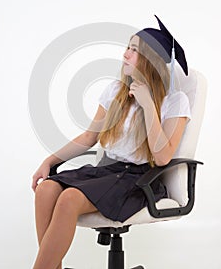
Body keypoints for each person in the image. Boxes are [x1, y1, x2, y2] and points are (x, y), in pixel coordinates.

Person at [31, 15, 191, 269]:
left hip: (140, 180)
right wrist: (49, 161)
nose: (126, 54)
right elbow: (88, 137)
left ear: (150, 60)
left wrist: (148, 104)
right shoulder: (115, 91)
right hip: (109, 171)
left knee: (69, 198)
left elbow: (162, 158)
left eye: (135, 50)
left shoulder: (175, 101)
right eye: (128, 47)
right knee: (46, 190)